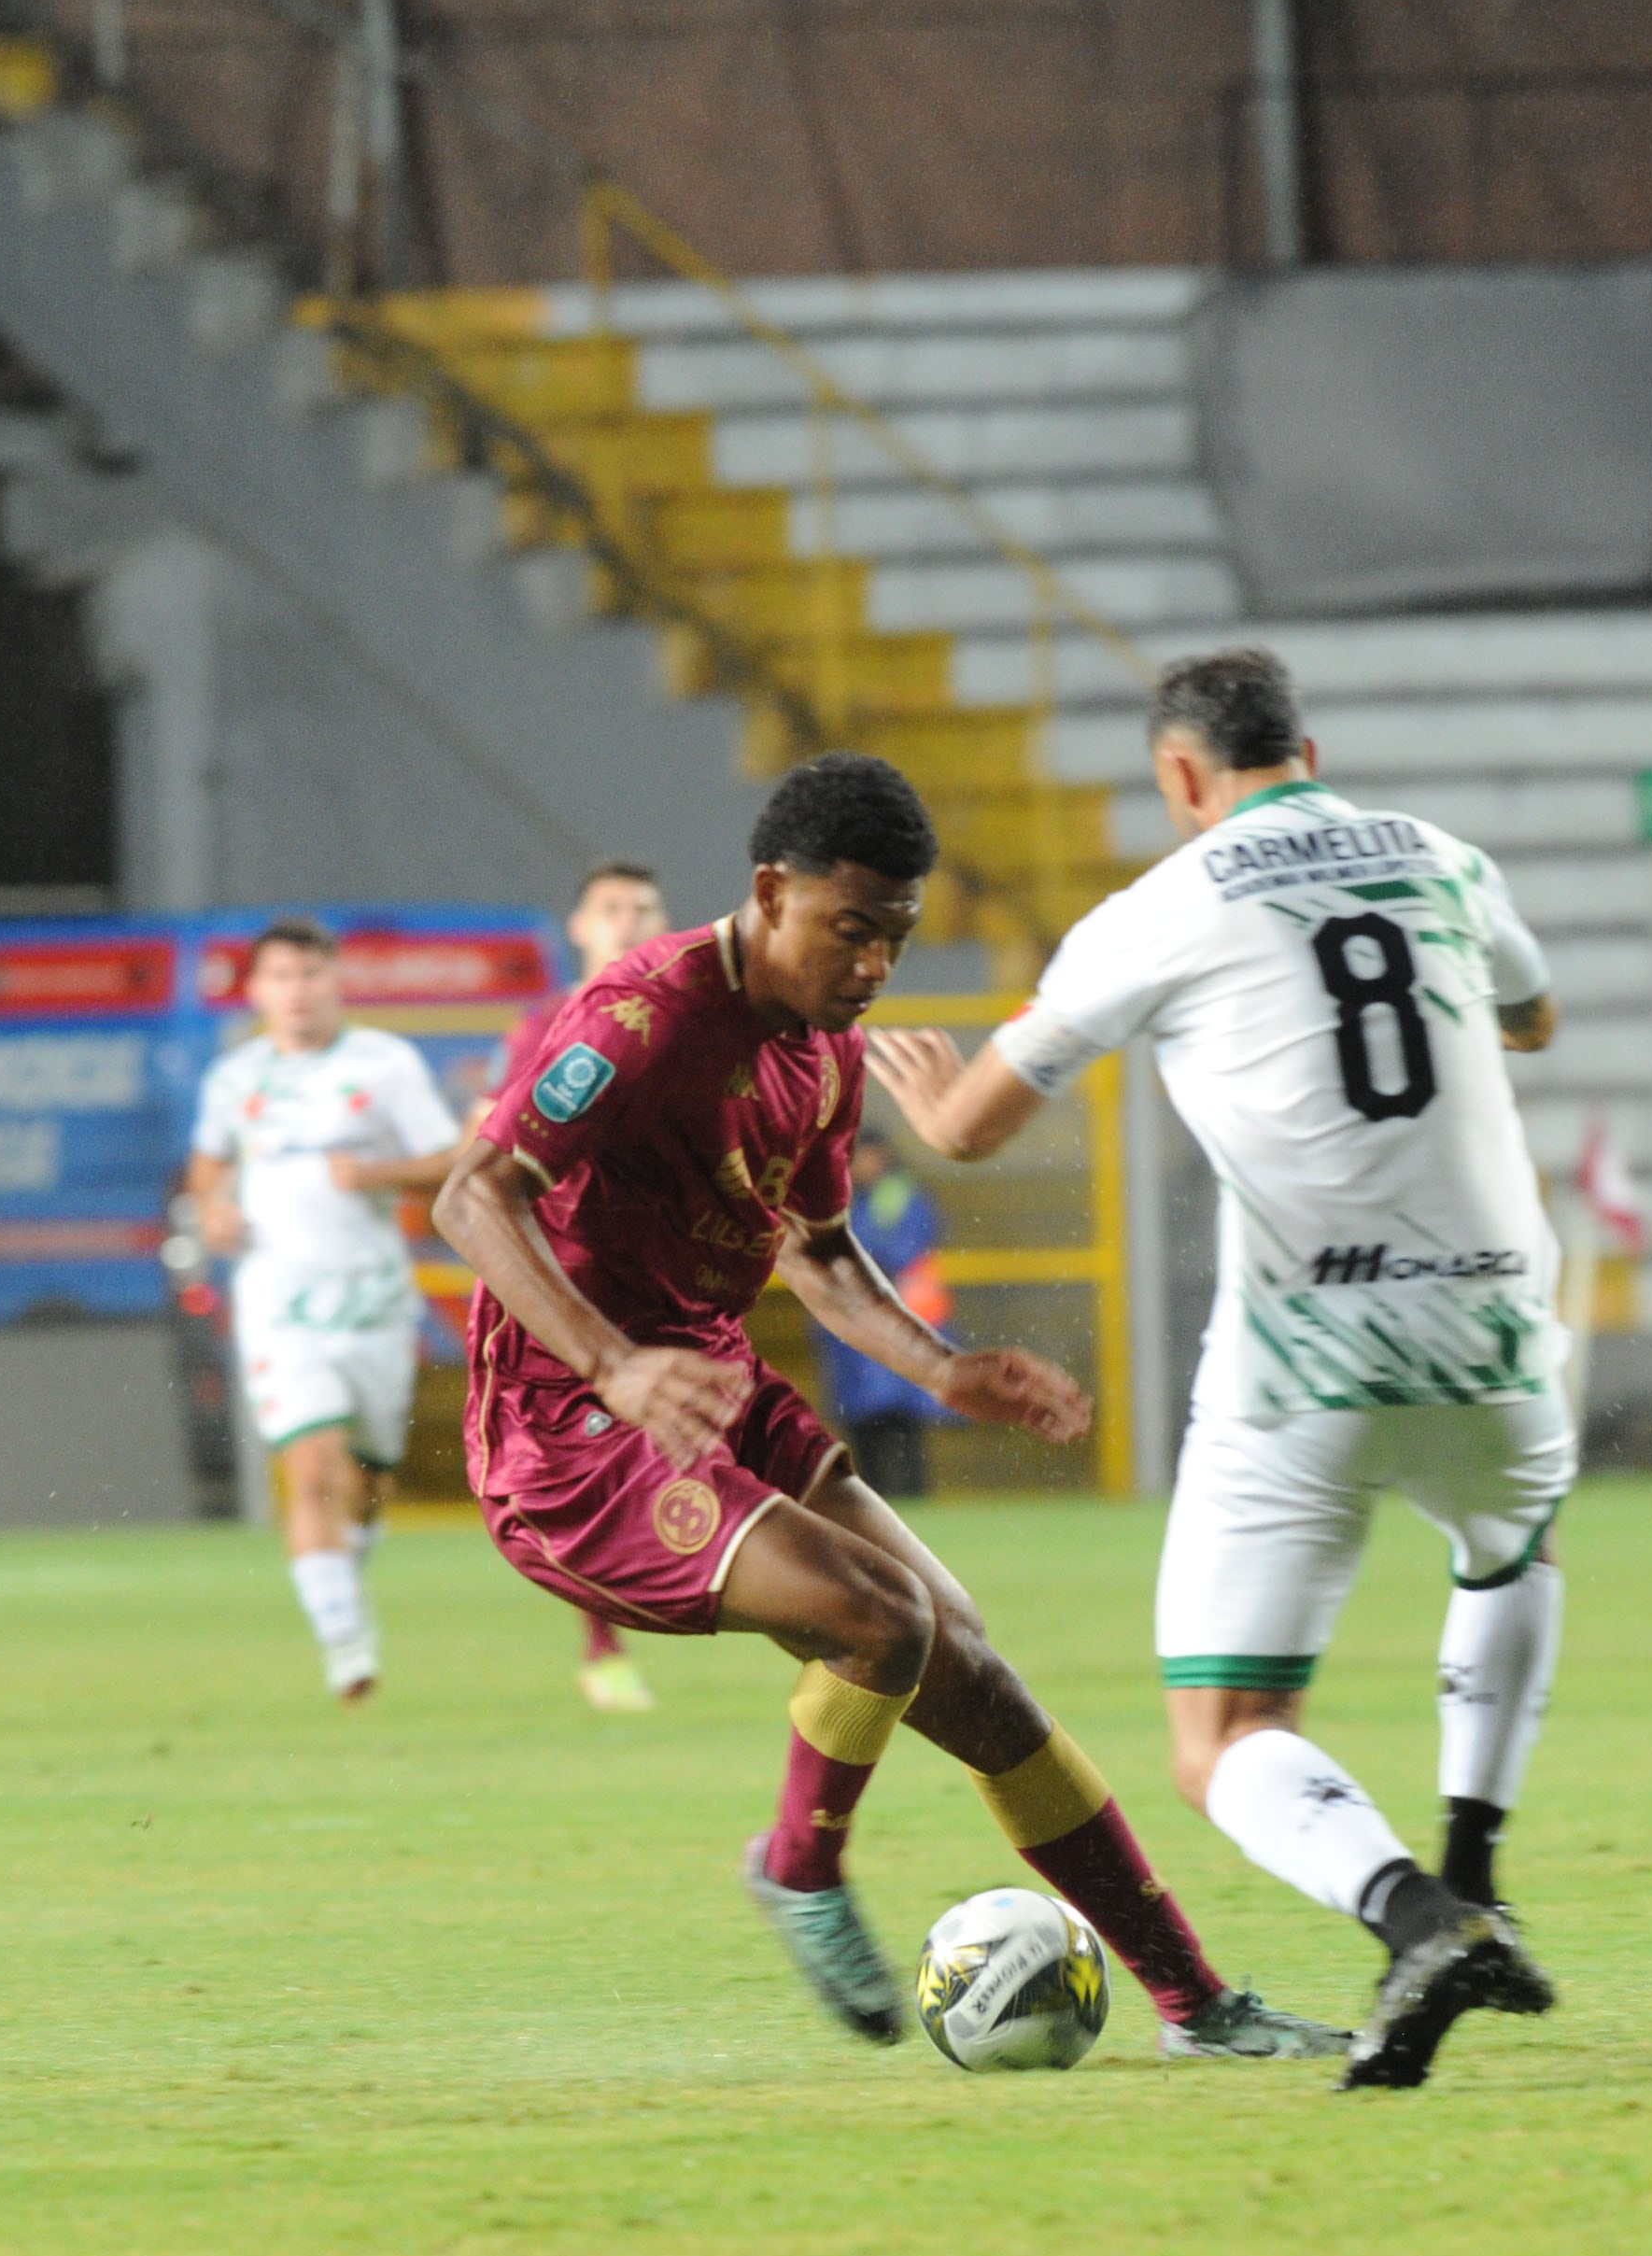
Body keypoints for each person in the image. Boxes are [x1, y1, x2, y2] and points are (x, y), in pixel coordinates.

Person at [438, 753, 1339, 2064]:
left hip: (708, 1390)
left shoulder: (825, 1051)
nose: (870, 966)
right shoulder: (639, 1019)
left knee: (972, 1669)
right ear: (768, 893)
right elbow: (473, 1195)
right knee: (881, 1620)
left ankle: (1198, 2009)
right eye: (849, 931)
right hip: (568, 1429)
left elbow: (818, 1250)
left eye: (894, 940)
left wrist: (943, 1369)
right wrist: (609, 1363)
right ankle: (798, 1869)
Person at [868, 647, 1566, 2091]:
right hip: (1499, 1328)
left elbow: (977, 1130)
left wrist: (934, 1102)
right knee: (1508, 1548)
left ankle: (1421, 1920)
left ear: (1182, 777)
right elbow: (1534, 1017)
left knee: (1227, 1733)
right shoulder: (1442, 858)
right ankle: (1477, 1874)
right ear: (1306, 748)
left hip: (1309, 1355)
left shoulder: (1164, 906)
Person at [185, 914, 466, 1699]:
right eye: (280, 977)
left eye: (310, 975)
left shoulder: (385, 1065)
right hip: (278, 1302)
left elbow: (453, 1163)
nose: (297, 991)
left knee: (368, 1477)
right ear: (257, 990)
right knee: (310, 1468)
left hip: (373, 1299)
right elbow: (206, 1172)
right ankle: (346, 1644)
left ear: (335, 982)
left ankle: (344, 1573)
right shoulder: (235, 1079)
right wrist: (212, 1211)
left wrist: (378, 1176)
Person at [496, 860, 676, 1713]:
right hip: (574, 1280)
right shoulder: (545, 1027)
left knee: (683, 1448)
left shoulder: (690, 1026)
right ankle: (603, 1644)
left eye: (643, 908)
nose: (629, 922)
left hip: (674, 1273)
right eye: (611, 908)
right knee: (591, 1462)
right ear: (578, 926)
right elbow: (500, 1171)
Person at [817, 1130, 953, 1499]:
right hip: (855, 1327)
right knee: (864, 1424)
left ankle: (911, 1495)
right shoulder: (845, 1197)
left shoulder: (899, 1196)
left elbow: (900, 1249)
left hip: (894, 1320)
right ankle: (878, 1498)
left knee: (901, 1423)